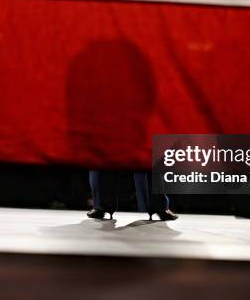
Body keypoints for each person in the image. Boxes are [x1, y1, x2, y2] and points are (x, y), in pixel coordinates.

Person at [66, 39, 178, 221]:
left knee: (147, 157)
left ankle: (158, 206)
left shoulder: (139, 49)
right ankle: (101, 205)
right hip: (106, 108)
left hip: (136, 108)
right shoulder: (95, 53)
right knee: (103, 156)